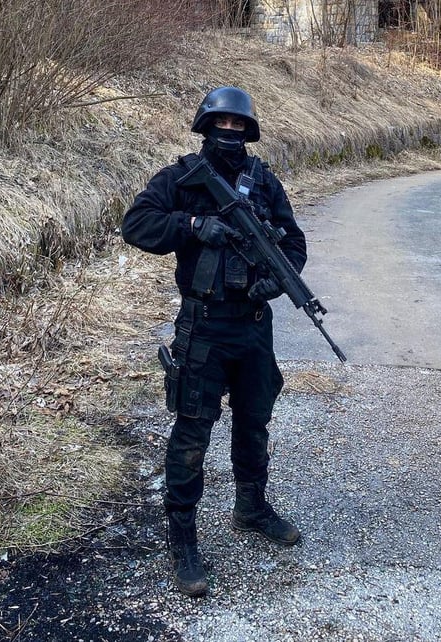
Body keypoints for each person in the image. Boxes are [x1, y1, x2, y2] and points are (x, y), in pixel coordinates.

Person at [121, 86, 307, 597]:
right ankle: (182, 539)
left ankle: (251, 507)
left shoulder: (263, 181)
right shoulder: (182, 177)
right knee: (192, 433)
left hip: (253, 326)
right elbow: (136, 224)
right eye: (220, 124)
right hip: (203, 326)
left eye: (237, 125)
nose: (229, 132)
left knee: (254, 422)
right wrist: (193, 225)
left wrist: (276, 281)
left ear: (249, 131)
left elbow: (292, 242)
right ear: (205, 127)